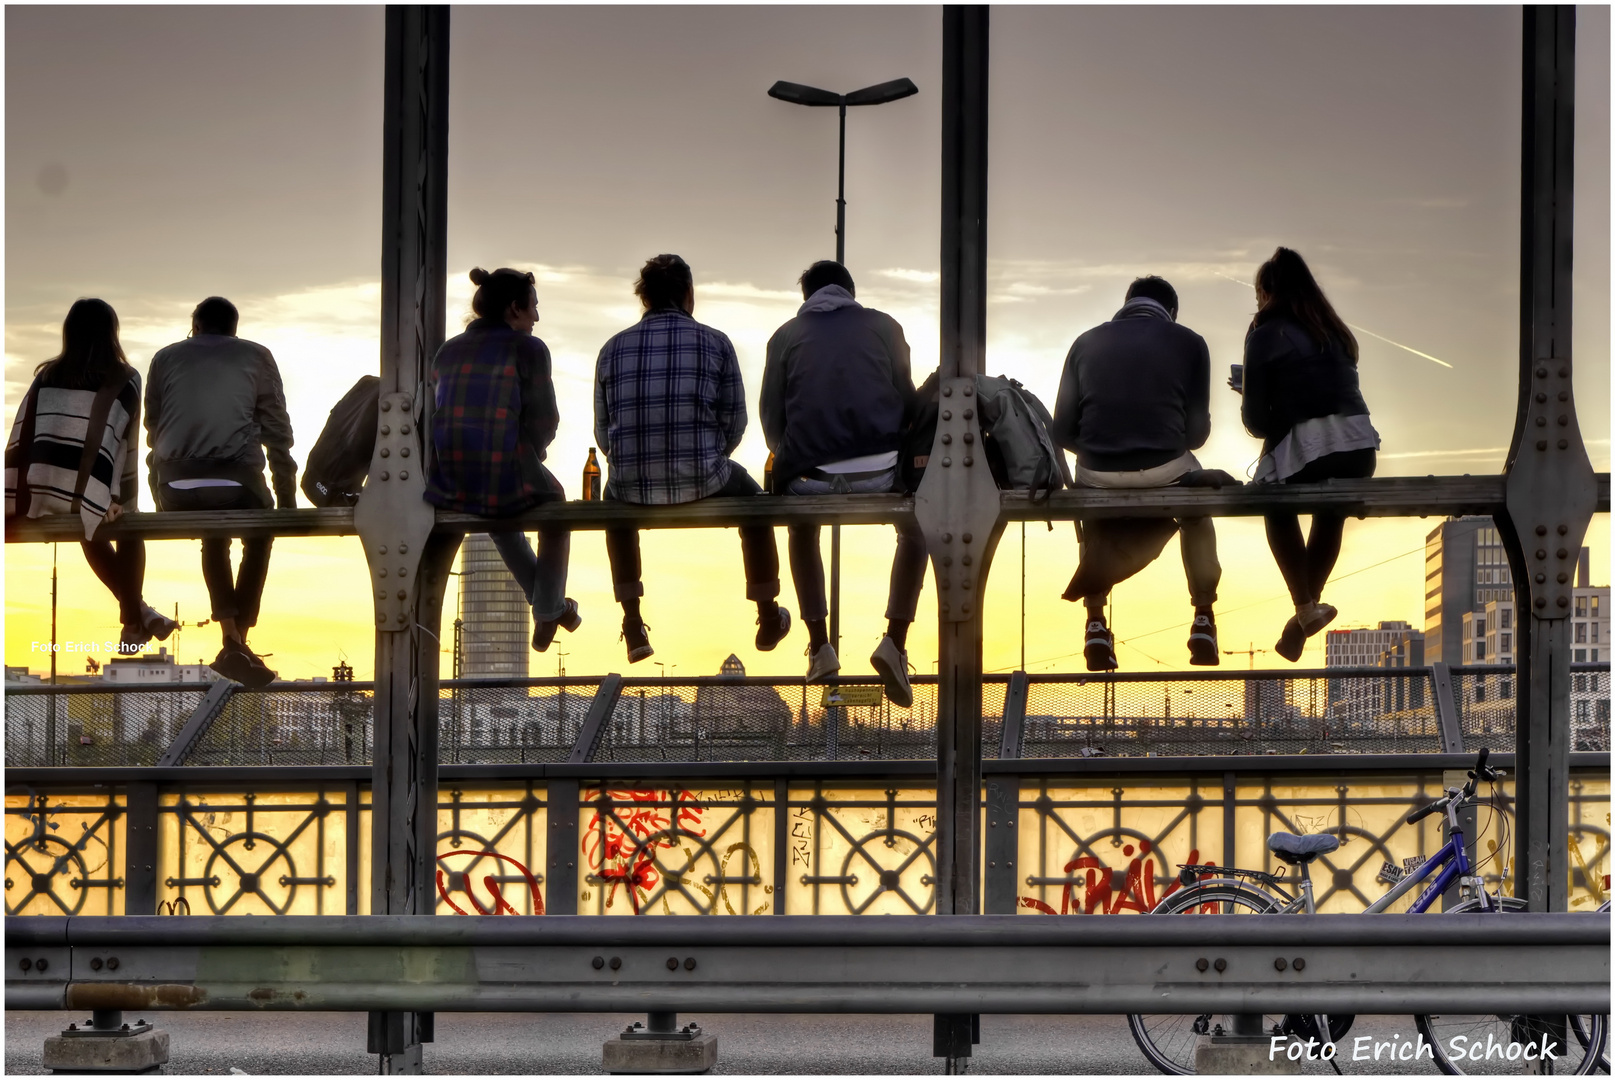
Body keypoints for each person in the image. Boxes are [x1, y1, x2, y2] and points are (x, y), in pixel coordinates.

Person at [594, 254, 790, 663]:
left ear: (643, 297)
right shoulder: (715, 342)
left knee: (614, 505)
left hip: (631, 484)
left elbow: (603, 431)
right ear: (688, 294)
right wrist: (708, 460)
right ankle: (768, 613)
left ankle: (632, 623)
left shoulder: (611, 349)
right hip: (706, 475)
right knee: (756, 503)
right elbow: (735, 421)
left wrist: (634, 464)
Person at [761, 260, 924, 706]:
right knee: (915, 529)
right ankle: (894, 639)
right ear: (851, 292)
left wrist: (802, 454)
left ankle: (819, 646)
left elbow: (772, 423)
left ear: (806, 297)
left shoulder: (784, 337)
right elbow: (909, 403)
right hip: (881, 474)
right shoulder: (886, 327)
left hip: (810, 478)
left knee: (801, 527)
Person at [1050, 276, 1224, 671]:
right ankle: (1203, 617)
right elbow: (1196, 436)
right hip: (1167, 468)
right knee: (1197, 508)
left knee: (1093, 513)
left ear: (1126, 303)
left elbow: (1060, 431)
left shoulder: (1085, 342)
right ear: (1172, 313)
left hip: (1097, 472)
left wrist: (1103, 454)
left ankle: (1095, 623)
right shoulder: (1191, 341)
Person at [5, 299, 176, 652]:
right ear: (112, 334)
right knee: (126, 526)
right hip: (87, 492)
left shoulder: (46, 376)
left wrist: (13, 493)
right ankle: (133, 619)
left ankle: (138, 614)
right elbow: (122, 446)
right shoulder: (125, 378)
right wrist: (115, 499)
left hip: (41, 491)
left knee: (89, 526)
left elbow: (23, 434)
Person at [426, 267, 578, 650]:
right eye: (533, 308)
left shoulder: (447, 349)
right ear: (514, 308)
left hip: (448, 477)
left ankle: (551, 608)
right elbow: (546, 419)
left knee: (500, 519)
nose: (537, 318)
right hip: (502, 468)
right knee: (557, 512)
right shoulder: (528, 348)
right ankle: (547, 610)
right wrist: (531, 453)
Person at [146, 296, 294, 688]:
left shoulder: (164, 358)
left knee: (215, 534)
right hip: (237, 480)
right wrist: (288, 501)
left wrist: (159, 496)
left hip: (175, 485)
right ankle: (237, 638)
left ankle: (232, 638)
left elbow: (153, 428)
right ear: (234, 328)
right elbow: (277, 432)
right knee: (259, 534)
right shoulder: (257, 357)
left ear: (195, 325)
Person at [1238, 247, 1378, 662]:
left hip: (1311, 451)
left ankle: (1303, 608)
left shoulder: (1264, 333)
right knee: (1329, 512)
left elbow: (1257, 424)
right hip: (1359, 449)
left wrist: (1252, 394)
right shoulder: (1334, 331)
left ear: (1266, 292)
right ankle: (1302, 617)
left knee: (1272, 500)